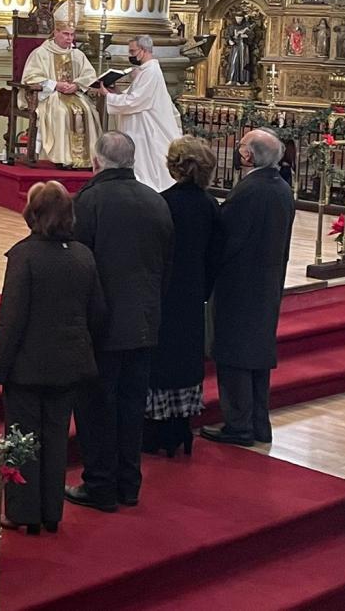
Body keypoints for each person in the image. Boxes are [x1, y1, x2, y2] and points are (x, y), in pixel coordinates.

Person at [0, 181, 106, 535]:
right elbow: (97, 312)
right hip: (69, 364)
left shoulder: (25, 255)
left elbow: (11, 318)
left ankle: (23, 512)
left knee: (23, 440)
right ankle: (52, 511)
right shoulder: (83, 255)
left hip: (27, 366)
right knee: (56, 438)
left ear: (32, 213)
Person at [67, 132, 173, 512]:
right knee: (131, 407)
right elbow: (166, 265)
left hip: (102, 325)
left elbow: (79, 265)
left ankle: (99, 485)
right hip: (145, 322)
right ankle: (129, 483)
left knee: (97, 407)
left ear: (97, 161)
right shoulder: (156, 201)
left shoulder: (89, 201)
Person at [202, 129, 296, 447]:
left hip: (239, 284)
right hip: (268, 282)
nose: (238, 150)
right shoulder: (282, 187)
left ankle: (238, 424)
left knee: (234, 354)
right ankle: (258, 423)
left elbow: (226, 237)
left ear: (249, 156)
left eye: (241, 146)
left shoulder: (248, 191)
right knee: (256, 354)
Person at [144, 137, 223, 458]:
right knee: (187, 358)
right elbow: (215, 255)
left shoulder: (162, 204)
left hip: (164, 293)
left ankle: (155, 432)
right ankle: (181, 429)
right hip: (192, 294)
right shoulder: (210, 207)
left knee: (161, 360)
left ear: (173, 165)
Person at [91, 35, 183, 193]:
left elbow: (136, 101)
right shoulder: (145, 70)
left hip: (146, 127)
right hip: (139, 125)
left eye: (133, 51)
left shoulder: (151, 71)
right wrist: (115, 92)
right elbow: (133, 96)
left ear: (144, 50)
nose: (131, 55)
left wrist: (108, 95)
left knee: (147, 165)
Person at [20, 2, 103, 168]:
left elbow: (89, 75)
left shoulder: (77, 55)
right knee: (61, 112)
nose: (70, 39)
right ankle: (63, 158)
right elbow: (30, 77)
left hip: (74, 95)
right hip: (50, 96)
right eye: (66, 34)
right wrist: (55, 85)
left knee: (89, 111)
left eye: (72, 35)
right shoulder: (41, 53)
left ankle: (86, 160)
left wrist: (77, 85)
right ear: (55, 32)